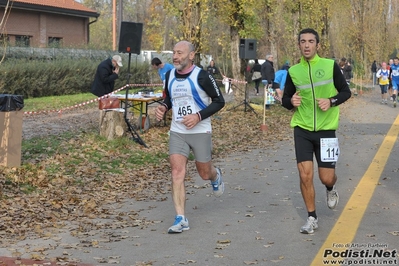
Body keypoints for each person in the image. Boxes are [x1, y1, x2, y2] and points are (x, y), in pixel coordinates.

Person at [282, 28, 351, 234]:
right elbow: (286, 99)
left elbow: (346, 92)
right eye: (303, 41)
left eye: (311, 41)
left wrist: (331, 101)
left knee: (326, 177)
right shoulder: (293, 71)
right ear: (299, 45)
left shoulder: (330, 66)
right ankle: (311, 217)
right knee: (305, 175)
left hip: (326, 130)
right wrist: (290, 102)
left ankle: (330, 189)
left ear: (317, 45)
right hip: (302, 128)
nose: (306, 45)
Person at [155, 41, 225, 234]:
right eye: (174, 52)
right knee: (177, 172)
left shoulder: (202, 76)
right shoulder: (169, 75)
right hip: (178, 131)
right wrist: (163, 107)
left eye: (180, 53)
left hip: (200, 130)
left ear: (191, 55)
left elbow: (220, 101)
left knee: (204, 173)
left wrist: (198, 116)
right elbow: (169, 98)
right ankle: (181, 218)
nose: (175, 56)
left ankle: (215, 175)